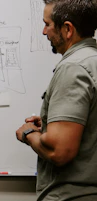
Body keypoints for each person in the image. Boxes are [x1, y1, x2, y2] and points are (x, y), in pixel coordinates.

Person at [16, 0, 97, 200]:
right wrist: (50, 125)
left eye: (47, 24)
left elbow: (60, 151)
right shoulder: (92, 61)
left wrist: (28, 134)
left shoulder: (73, 67)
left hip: (71, 195)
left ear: (67, 29)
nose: (44, 32)